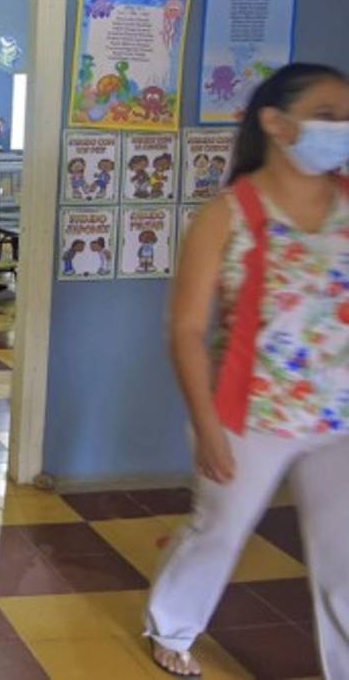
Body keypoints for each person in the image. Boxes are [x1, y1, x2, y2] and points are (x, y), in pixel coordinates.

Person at [143, 63, 349, 678]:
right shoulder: (228, 214)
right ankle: (172, 628)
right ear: (275, 123)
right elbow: (184, 329)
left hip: (339, 414)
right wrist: (206, 425)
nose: (342, 128)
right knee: (218, 531)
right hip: (248, 414)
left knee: (345, 554)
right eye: (328, 115)